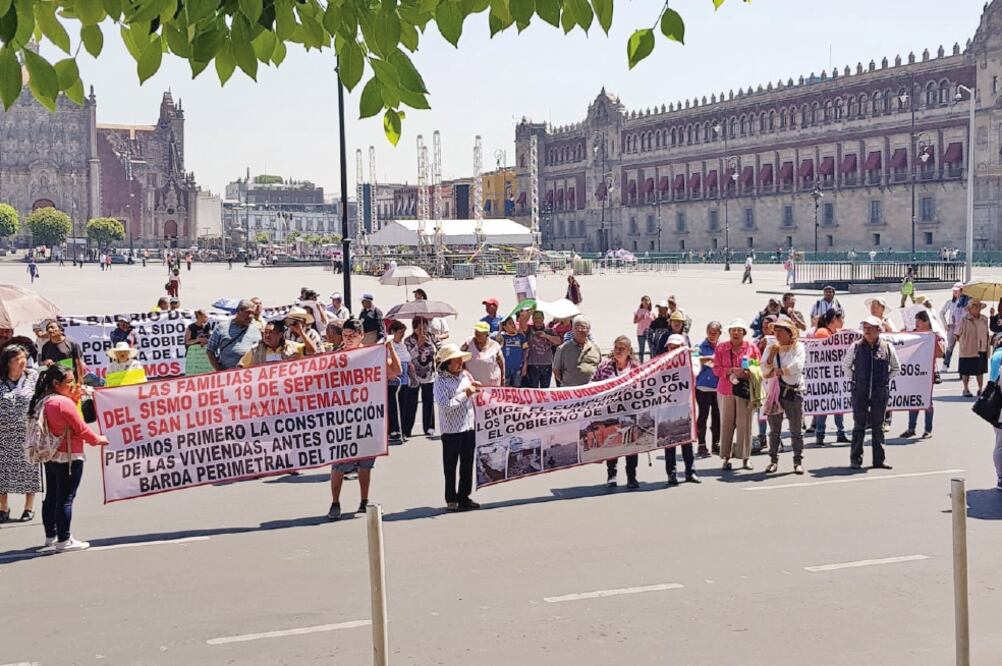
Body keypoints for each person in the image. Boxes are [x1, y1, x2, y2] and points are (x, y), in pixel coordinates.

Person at [327, 319, 401, 521]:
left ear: (361, 335)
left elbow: (396, 371)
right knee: (339, 466)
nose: (348, 339)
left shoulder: (371, 354)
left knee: (365, 465)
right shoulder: (336, 356)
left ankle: (364, 500)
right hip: (342, 420)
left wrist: (389, 348)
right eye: (345, 335)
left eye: (352, 336)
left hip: (367, 418)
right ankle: (335, 502)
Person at [30, 365, 109, 551]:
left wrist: (72, 399)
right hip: (68, 455)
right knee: (65, 498)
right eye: (69, 382)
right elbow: (79, 428)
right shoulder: (62, 403)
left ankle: (52, 536)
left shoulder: (45, 400)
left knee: (51, 496)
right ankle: (65, 540)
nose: (73, 384)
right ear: (56, 383)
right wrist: (98, 439)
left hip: (50, 454)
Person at [842, 316, 900, 469]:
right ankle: (855, 460)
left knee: (878, 427)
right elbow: (846, 366)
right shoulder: (855, 347)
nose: (867, 331)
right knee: (859, 426)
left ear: (878, 330)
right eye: (865, 328)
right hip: (860, 393)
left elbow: (896, 367)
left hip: (880, 393)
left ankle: (879, 460)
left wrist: (885, 380)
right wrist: (856, 379)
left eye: (870, 328)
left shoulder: (887, 347)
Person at [434, 343, 480, 512]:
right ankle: (451, 498)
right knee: (450, 466)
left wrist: (475, 388)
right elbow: (445, 405)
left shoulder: (465, 375)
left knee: (467, 464)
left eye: (460, 359)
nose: (459, 362)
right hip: (452, 429)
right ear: (447, 363)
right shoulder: (440, 381)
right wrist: (465, 394)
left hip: (468, 425)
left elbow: (471, 388)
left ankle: (464, 497)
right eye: (455, 360)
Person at [592, 336, 641, 489]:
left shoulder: (635, 367)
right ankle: (611, 475)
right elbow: (593, 384)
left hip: (630, 411)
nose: (618, 351)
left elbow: (644, 387)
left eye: (622, 349)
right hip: (610, 412)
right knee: (612, 443)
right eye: (616, 347)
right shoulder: (604, 366)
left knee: (631, 445)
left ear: (629, 351)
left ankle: (632, 477)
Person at [0, 345, 40, 523]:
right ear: (8, 363)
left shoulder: (33, 377)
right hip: (4, 433)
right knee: (3, 471)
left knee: (29, 469)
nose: (22, 361)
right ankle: (3, 507)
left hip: (28, 431)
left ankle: (28, 507)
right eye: (17, 359)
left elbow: (41, 399)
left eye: (24, 357)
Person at [762, 317, 806, 474]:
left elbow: (797, 367)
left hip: (793, 392)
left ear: (789, 332)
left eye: (781, 330)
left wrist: (779, 371)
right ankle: (773, 460)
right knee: (774, 430)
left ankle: (797, 461)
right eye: (776, 330)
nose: (777, 333)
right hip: (776, 393)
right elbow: (765, 370)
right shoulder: (771, 347)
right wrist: (771, 356)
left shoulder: (798, 347)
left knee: (796, 430)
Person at [714, 319, 760, 471]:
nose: (736, 332)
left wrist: (747, 371)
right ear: (729, 332)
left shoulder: (751, 347)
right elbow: (716, 368)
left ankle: (745, 458)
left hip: (745, 391)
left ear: (744, 333)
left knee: (744, 424)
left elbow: (758, 366)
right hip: (726, 390)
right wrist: (730, 372)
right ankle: (726, 457)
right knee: (726, 424)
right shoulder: (721, 348)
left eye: (739, 330)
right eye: (733, 330)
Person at [900, 310, 943, 439]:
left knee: (927, 401)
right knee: (913, 400)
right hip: (913, 373)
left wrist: (934, 340)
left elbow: (940, 353)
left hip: (927, 373)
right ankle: (911, 428)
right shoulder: (913, 333)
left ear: (927, 322)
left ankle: (928, 429)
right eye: (916, 320)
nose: (916, 323)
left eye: (919, 320)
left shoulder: (932, 335)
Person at [664, 334, 700, 485]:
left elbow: (693, 374)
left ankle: (690, 472)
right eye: (671, 347)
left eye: (677, 347)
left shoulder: (692, 360)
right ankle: (671, 474)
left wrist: (685, 358)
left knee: (687, 442)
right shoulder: (661, 363)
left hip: (686, 406)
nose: (674, 349)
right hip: (667, 408)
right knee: (669, 442)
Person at [809, 309, 849, 445]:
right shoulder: (822, 333)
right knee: (824, 406)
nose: (843, 321)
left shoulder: (836, 333)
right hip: (824, 377)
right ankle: (820, 434)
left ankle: (841, 433)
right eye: (841, 318)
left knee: (839, 404)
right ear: (834, 320)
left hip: (836, 376)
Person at [402, 317, 437, 438]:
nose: (423, 330)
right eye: (420, 328)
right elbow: (408, 356)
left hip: (428, 374)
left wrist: (429, 343)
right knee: (411, 403)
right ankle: (407, 429)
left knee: (428, 402)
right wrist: (418, 345)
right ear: (414, 328)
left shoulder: (431, 337)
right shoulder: (408, 340)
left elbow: (437, 351)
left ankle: (429, 427)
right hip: (414, 376)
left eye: (425, 327)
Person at [205, 299, 262, 371]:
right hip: (228, 376)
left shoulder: (256, 329)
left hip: (249, 376)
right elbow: (210, 351)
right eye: (248, 312)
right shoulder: (222, 327)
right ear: (238, 312)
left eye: (253, 313)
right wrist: (219, 370)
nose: (250, 316)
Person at [238, 318, 316, 367]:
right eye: (266, 332)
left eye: (271, 332)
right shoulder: (255, 351)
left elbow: (312, 351)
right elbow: (239, 369)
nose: (267, 335)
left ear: (280, 335)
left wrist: (301, 332)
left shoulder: (293, 347)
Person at [695, 322, 722, 457]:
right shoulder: (700, 346)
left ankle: (716, 444)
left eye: (715, 332)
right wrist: (708, 359)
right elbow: (694, 359)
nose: (712, 335)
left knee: (717, 417)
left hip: (718, 388)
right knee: (703, 416)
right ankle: (701, 444)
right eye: (710, 332)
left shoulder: (723, 347)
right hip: (702, 387)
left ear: (719, 333)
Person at [552, 316, 601, 388]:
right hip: (571, 393)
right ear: (572, 329)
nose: (580, 330)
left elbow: (599, 368)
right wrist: (567, 383)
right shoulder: (563, 349)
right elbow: (556, 371)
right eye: (577, 327)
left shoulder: (595, 348)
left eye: (583, 327)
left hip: (591, 392)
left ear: (588, 330)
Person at [956, 299, 990, 397]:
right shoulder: (964, 319)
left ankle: (980, 389)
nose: (977, 308)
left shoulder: (984, 319)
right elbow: (957, 333)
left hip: (981, 347)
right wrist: (964, 342)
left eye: (978, 306)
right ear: (970, 309)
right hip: (968, 348)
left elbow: (987, 332)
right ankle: (966, 389)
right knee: (965, 370)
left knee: (980, 370)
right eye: (974, 307)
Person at [387, 321, 410, 443]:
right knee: (394, 408)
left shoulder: (402, 345)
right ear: (392, 333)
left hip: (405, 380)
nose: (402, 335)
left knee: (403, 407)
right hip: (393, 382)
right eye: (400, 332)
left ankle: (403, 431)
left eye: (404, 332)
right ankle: (394, 431)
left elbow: (407, 359)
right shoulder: (387, 346)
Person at [525, 310, 560, 388]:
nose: (537, 320)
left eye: (539, 318)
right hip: (532, 365)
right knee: (533, 391)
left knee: (545, 391)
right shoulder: (529, 330)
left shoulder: (549, 330)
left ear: (543, 319)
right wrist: (530, 311)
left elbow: (558, 341)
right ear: (532, 319)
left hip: (546, 365)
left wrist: (546, 336)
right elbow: (522, 324)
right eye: (535, 318)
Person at [462, 322, 504, 387]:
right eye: (476, 332)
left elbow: (501, 364)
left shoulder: (495, 346)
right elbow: (460, 359)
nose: (477, 335)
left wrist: (503, 382)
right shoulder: (468, 343)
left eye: (480, 334)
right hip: (472, 385)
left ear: (487, 334)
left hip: (491, 386)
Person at [941, 282, 970, 369]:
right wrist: (945, 324)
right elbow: (941, 313)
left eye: (957, 291)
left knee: (963, 348)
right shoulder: (950, 302)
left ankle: (962, 366)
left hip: (962, 327)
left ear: (962, 291)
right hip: (952, 327)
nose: (955, 292)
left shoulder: (966, 303)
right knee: (950, 347)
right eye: (954, 291)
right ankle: (945, 364)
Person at [497, 317, 527, 387]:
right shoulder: (503, 337)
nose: (513, 325)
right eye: (510, 323)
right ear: (505, 327)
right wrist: (500, 329)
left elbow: (525, 352)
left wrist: (525, 365)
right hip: (505, 369)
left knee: (517, 388)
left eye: (513, 323)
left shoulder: (521, 336)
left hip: (518, 368)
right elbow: (498, 340)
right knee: (505, 389)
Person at [990, 337, 1002, 491]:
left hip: (997, 410)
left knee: (1000, 445)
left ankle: (1000, 476)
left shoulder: (996, 356)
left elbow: (992, 381)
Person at [633, 295, 654, 362]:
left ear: (650, 302)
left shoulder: (652, 311)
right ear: (642, 302)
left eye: (647, 300)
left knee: (651, 349)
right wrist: (640, 318)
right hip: (640, 332)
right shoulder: (638, 311)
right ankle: (641, 364)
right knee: (641, 350)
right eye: (644, 301)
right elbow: (634, 321)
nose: (646, 302)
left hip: (649, 332)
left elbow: (655, 321)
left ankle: (652, 362)